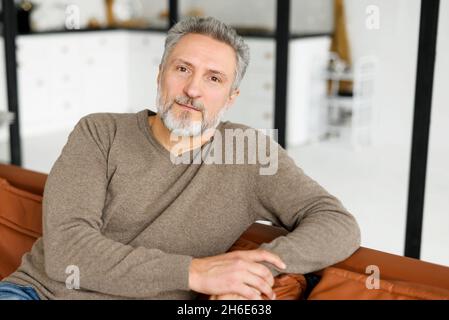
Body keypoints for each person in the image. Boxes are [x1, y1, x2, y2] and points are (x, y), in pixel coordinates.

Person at [0, 17, 360, 300]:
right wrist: (197, 272)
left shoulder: (250, 153)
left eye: (214, 78)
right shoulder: (99, 132)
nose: (193, 89)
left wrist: (257, 270)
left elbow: (337, 223)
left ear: (231, 97)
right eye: (183, 69)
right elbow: (69, 250)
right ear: (160, 74)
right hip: (39, 294)